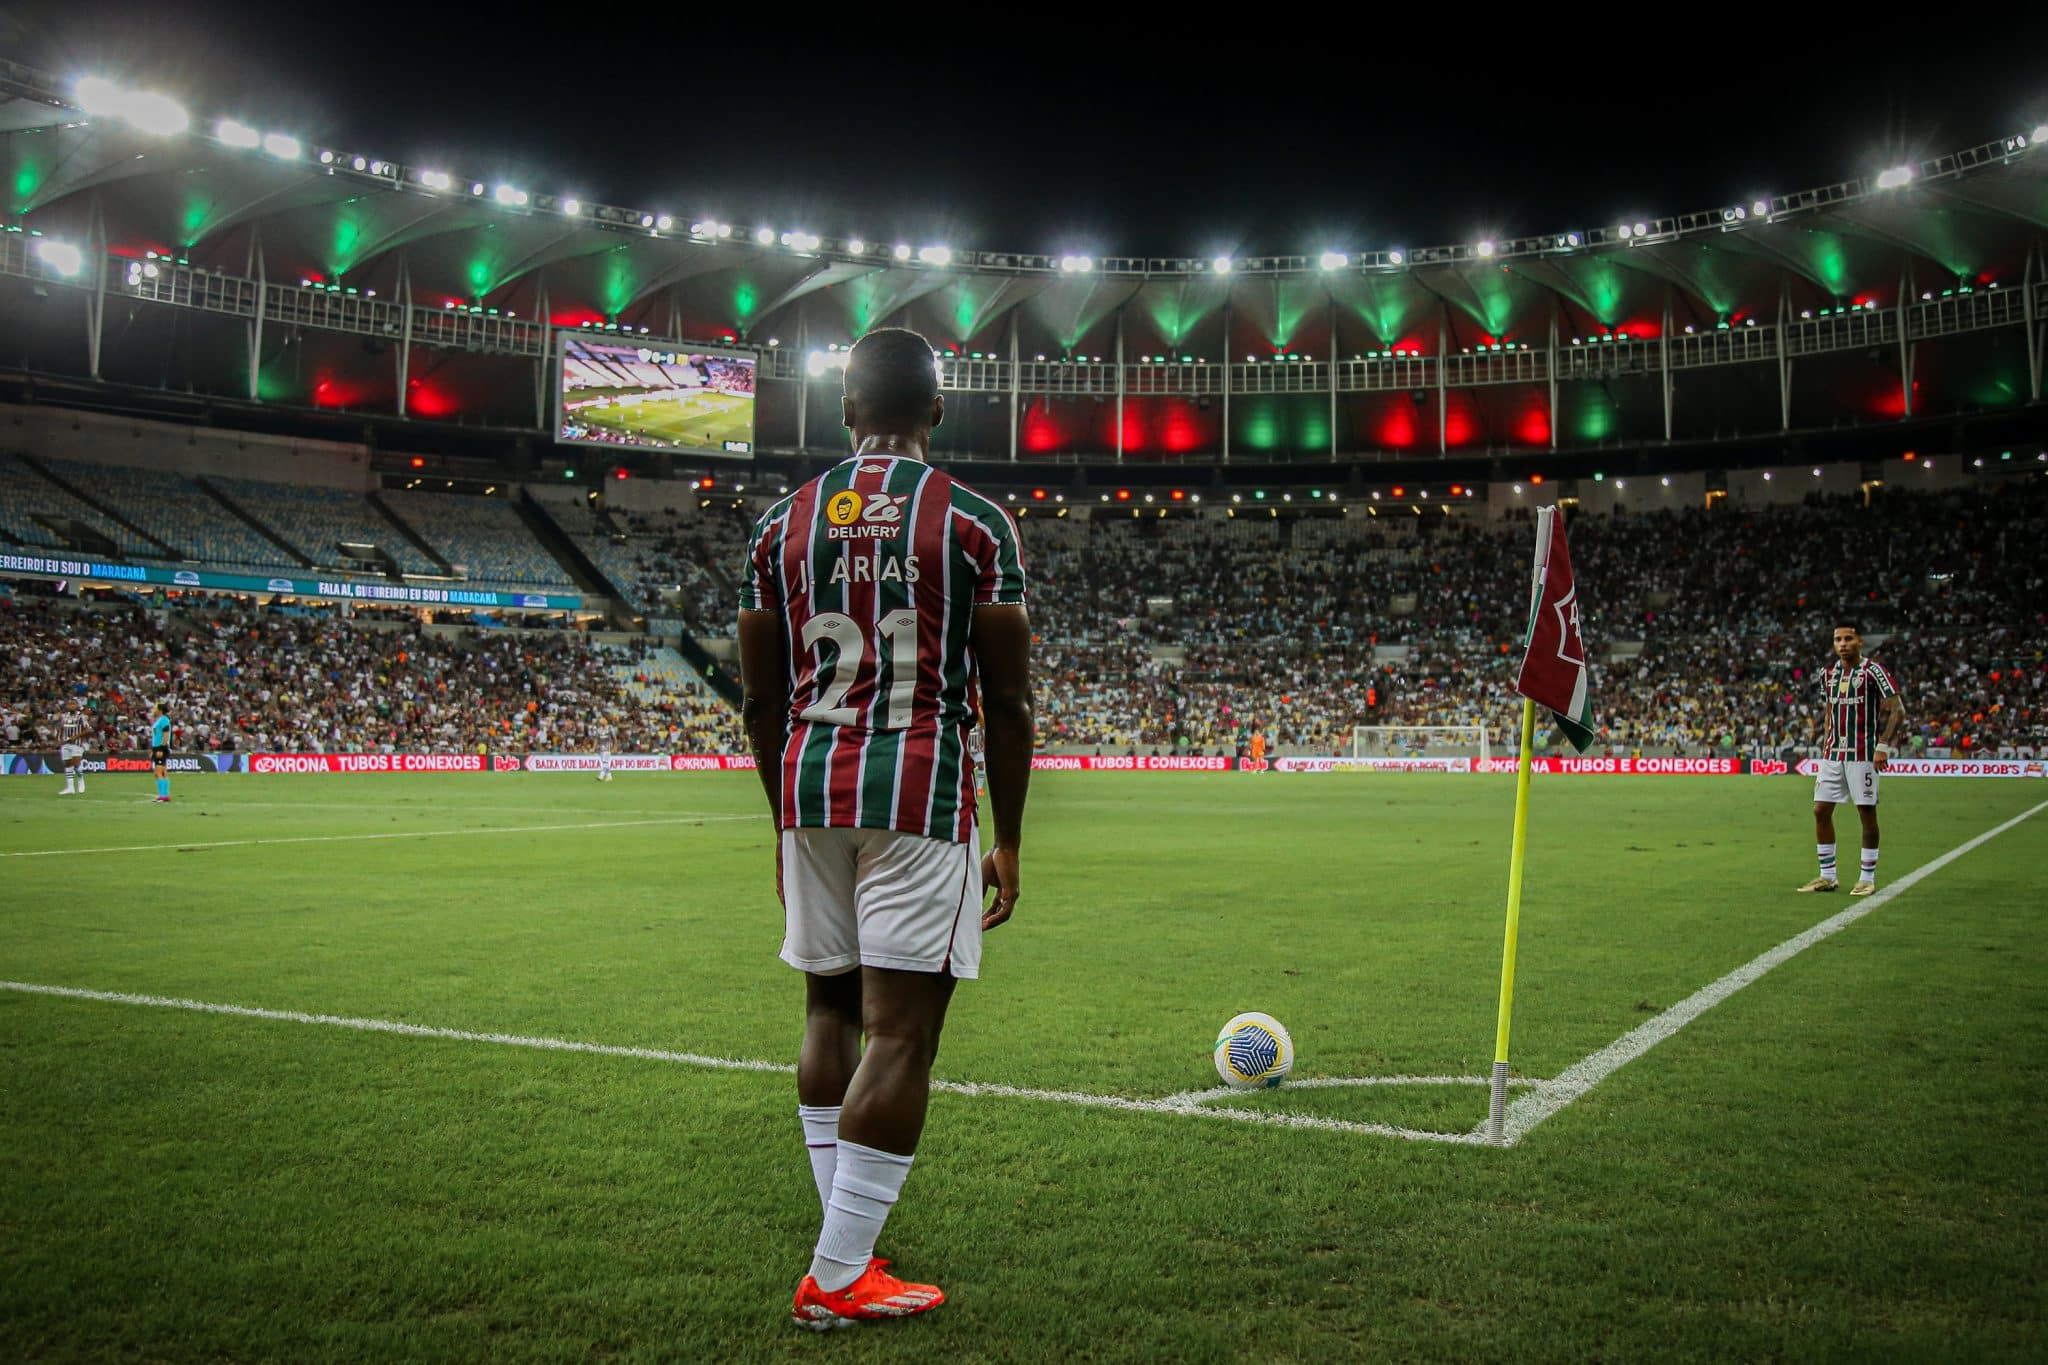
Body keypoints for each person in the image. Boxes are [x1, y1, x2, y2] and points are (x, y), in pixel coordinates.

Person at [737, 326, 1033, 1331]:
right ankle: (836, 1276)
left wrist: (780, 821)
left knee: (827, 1015)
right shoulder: (974, 523)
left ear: (844, 411)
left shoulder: (778, 526)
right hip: (917, 790)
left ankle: (844, 1246)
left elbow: (758, 700)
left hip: (809, 788)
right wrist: (1012, 838)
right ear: (936, 413)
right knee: (901, 1033)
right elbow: (1010, 699)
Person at [1798, 622, 1904, 896]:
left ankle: (1867, 877)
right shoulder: (1828, 674)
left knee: (1866, 813)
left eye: (1848, 639)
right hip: (1833, 754)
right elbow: (1830, 711)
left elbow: (1897, 710)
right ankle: (1827, 876)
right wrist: (1824, 742)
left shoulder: (1874, 671)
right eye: (1837, 639)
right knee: (1820, 810)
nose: (1842, 644)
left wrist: (1882, 746)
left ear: (1860, 642)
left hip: (1863, 754)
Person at [58, 702, 87, 796]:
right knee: (67, 765)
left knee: (76, 763)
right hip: (66, 744)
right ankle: (70, 788)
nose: (71, 706)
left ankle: (80, 778)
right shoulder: (64, 716)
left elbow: (87, 729)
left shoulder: (81, 716)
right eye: (69, 704)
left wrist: (75, 737)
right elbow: (60, 728)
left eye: (73, 704)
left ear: (76, 706)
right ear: (67, 706)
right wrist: (59, 739)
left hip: (76, 744)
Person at [150, 701, 172, 804]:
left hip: (161, 748)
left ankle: (163, 796)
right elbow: (156, 736)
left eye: (155, 708)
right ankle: (164, 795)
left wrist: (160, 749)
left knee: (158, 772)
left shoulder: (164, 720)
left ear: (159, 710)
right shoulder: (159, 720)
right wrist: (153, 749)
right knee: (162, 772)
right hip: (157, 748)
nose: (154, 710)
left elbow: (165, 736)